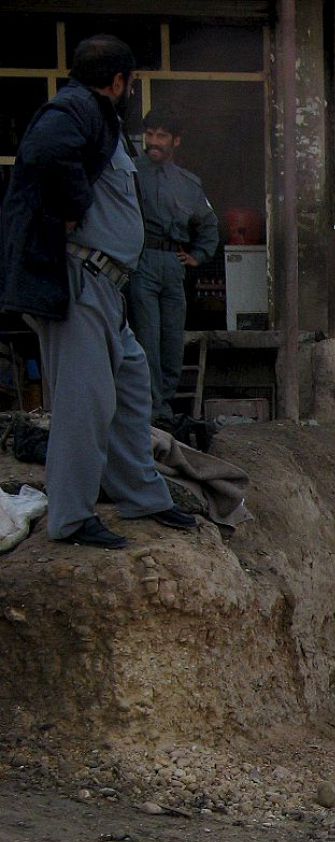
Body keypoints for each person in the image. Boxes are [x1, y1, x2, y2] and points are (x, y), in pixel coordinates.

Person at [0, 35, 196, 548]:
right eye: (129, 83)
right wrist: (72, 203)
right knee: (84, 405)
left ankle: (141, 497)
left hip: (108, 288)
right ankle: (71, 518)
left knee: (131, 387)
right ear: (118, 83)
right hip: (81, 283)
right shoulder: (73, 111)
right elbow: (45, 153)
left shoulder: (96, 120)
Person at [126, 107, 218, 424]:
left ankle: (163, 406)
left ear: (175, 141)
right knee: (146, 340)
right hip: (142, 261)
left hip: (173, 266)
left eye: (161, 135)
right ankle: (152, 411)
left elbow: (209, 225)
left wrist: (198, 255)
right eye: (149, 134)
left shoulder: (188, 183)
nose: (153, 141)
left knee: (172, 342)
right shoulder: (130, 173)